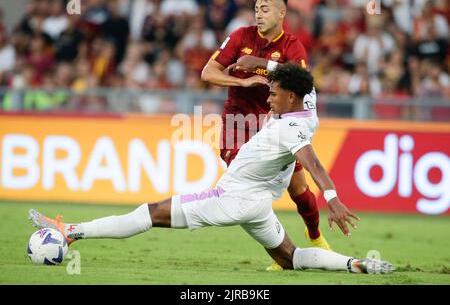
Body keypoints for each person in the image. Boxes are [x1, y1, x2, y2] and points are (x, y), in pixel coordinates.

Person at [28, 64, 394, 274]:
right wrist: (267, 67)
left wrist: (332, 198)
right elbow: (304, 77)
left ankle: (70, 231)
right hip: (257, 203)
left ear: (291, 99)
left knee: (151, 213)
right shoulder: (306, 107)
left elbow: (312, 163)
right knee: (290, 257)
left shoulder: (289, 128)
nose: (268, 98)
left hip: (232, 198)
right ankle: (355, 265)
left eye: (273, 93)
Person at [201, 0, 327, 271]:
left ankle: (316, 238)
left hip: (276, 126)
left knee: (299, 190)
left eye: (265, 9)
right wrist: (243, 82)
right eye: (257, 9)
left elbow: (303, 81)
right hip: (238, 123)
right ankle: (282, 255)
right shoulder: (239, 36)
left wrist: (260, 64)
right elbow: (208, 72)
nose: (259, 14)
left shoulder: (293, 45)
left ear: (282, 12)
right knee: (249, 188)